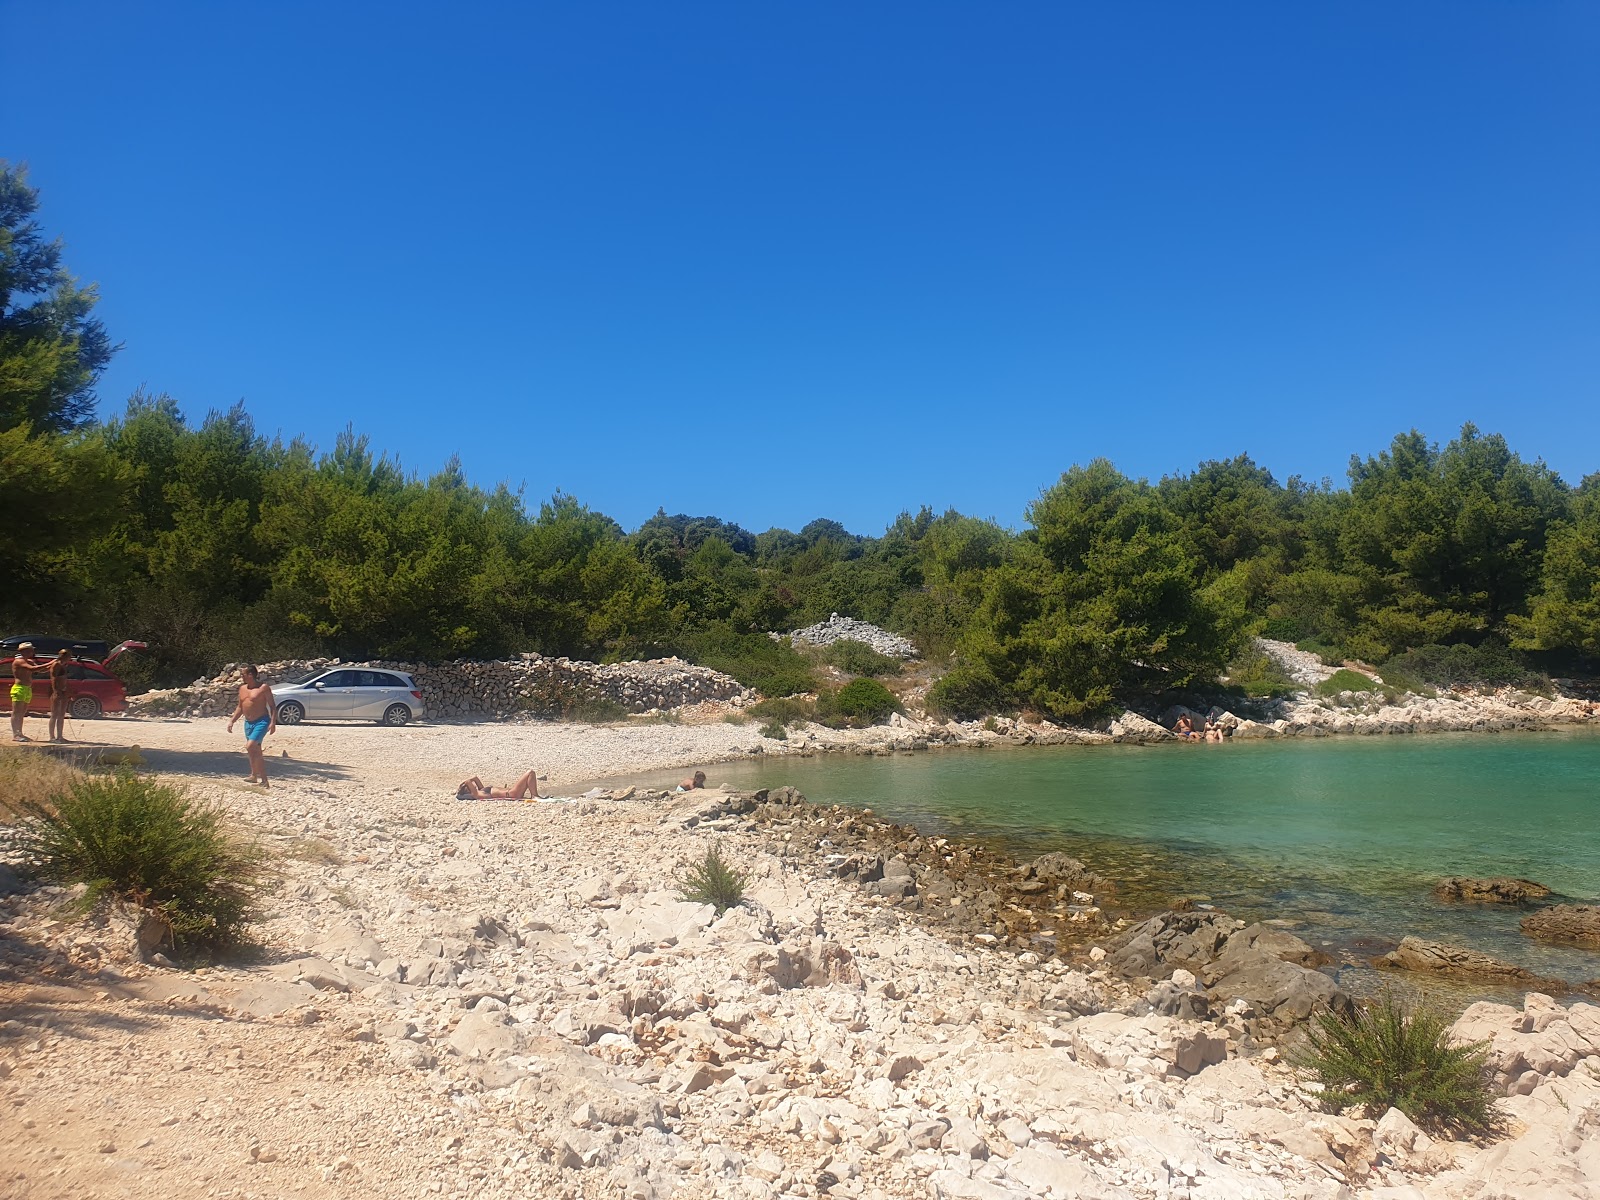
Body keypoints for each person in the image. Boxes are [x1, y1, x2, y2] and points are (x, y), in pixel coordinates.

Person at [226, 665, 277, 786]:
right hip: (248, 722)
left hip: (261, 721)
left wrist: (273, 722)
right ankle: (257, 777)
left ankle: (262, 778)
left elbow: (273, 706)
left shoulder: (263, 688)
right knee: (255, 750)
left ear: (250, 675)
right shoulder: (242, 688)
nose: (241, 677)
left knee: (250, 746)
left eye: (243, 674)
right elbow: (240, 706)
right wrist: (232, 720)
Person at [9, 642, 39, 742]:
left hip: (27, 689)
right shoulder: (19, 661)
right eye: (30, 650)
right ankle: (15, 734)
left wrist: (55, 664)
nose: (33, 652)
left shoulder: (29, 661)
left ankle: (20, 733)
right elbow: (33, 668)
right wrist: (51, 663)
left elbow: (39, 670)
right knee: (16, 712)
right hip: (19, 688)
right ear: (24, 651)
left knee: (22, 713)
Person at [457, 769, 542, 801]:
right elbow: (468, 781)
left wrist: (467, 782)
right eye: (469, 786)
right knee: (530, 773)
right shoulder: (477, 795)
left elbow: (475, 778)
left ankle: (534, 795)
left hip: (512, 791)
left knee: (530, 774)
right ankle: (534, 796)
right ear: (468, 790)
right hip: (512, 793)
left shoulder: (481, 790)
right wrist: (465, 783)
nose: (472, 784)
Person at [47, 649, 72, 743]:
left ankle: (60, 736)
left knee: (61, 715)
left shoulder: (64, 665)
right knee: (54, 714)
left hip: (63, 691)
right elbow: (53, 678)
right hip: (57, 692)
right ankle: (52, 737)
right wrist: (56, 691)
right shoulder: (56, 664)